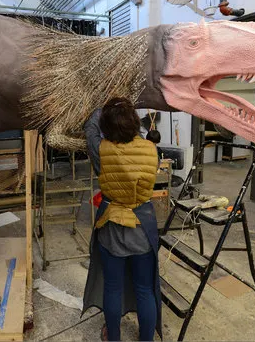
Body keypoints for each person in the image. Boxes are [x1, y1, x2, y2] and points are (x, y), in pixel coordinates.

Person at [81, 97, 162, 341]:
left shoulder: (101, 150)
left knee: (113, 287)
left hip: (112, 226)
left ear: (107, 126)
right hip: (142, 227)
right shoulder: (151, 149)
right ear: (135, 122)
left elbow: (89, 128)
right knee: (145, 289)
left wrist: (100, 101)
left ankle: (113, 337)